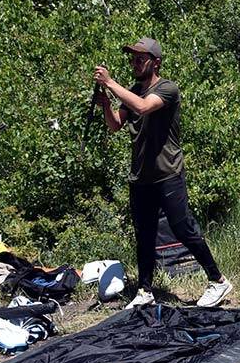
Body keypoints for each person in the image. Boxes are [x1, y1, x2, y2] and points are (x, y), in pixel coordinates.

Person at [94, 37, 232, 308]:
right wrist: (105, 105)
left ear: (155, 62)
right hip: (141, 177)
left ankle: (218, 281)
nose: (134, 63)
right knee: (144, 234)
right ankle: (145, 290)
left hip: (168, 173)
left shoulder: (168, 89)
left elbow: (144, 107)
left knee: (183, 228)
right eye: (132, 58)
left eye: (140, 59)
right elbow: (115, 126)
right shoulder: (134, 89)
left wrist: (110, 83)